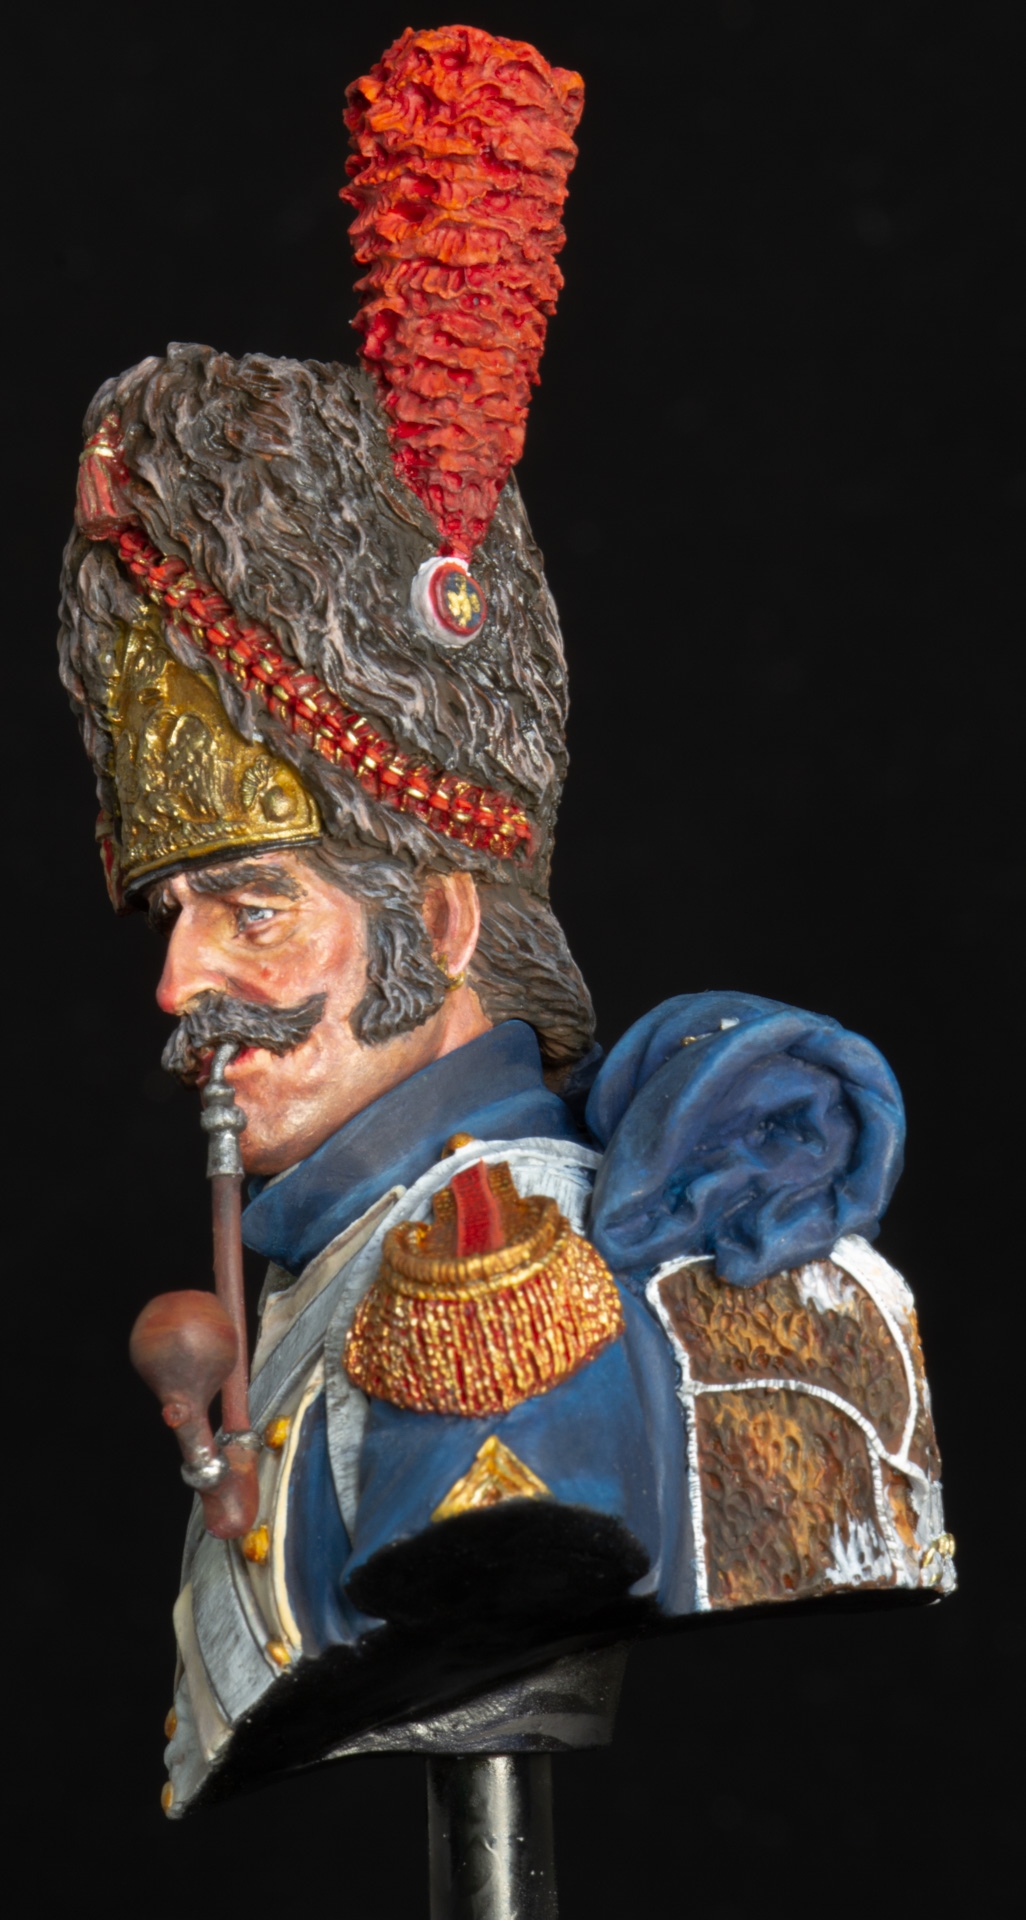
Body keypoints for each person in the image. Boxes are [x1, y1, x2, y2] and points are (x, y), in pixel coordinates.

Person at [57, 26, 954, 1818]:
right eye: (175, 911)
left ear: (447, 917)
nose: (179, 980)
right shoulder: (324, 1272)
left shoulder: (501, 1276)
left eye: (249, 906)